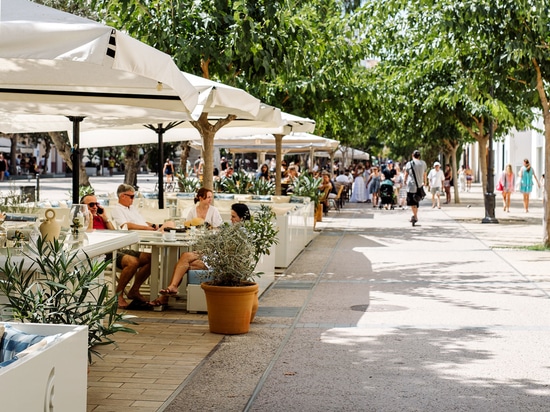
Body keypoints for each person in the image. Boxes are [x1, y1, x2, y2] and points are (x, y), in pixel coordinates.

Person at [155, 203, 251, 302]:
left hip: (219, 262)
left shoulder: (241, 233)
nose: (231, 219)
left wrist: (209, 251)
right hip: (214, 256)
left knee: (184, 261)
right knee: (184, 260)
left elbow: (228, 252)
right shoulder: (236, 229)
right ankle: (171, 289)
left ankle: (167, 293)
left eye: (233, 217)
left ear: (242, 218)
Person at [82, 192, 155, 310]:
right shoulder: (82, 219)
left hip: (112, 248)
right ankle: (118, 295)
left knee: (150, 257)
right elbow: (88, 235)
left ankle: (134, 290)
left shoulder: (100, 217)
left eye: (97, 204)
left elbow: (113, 232)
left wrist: (105, 218)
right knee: (132, 262)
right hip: (100, 252)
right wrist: (89, 216)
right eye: (91, 205)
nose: (95, 207)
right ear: (83, 207)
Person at [404, 150, 427, 226]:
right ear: (419, 156)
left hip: (411, 186)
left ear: (412, 155)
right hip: (419, 186)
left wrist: (404, 181)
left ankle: (415, 216)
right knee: (416, 202)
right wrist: (425, 182)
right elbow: (424, 174)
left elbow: (406, 174)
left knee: (412, 202)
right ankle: (415, 216)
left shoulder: (409, 164)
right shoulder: (423, 163)